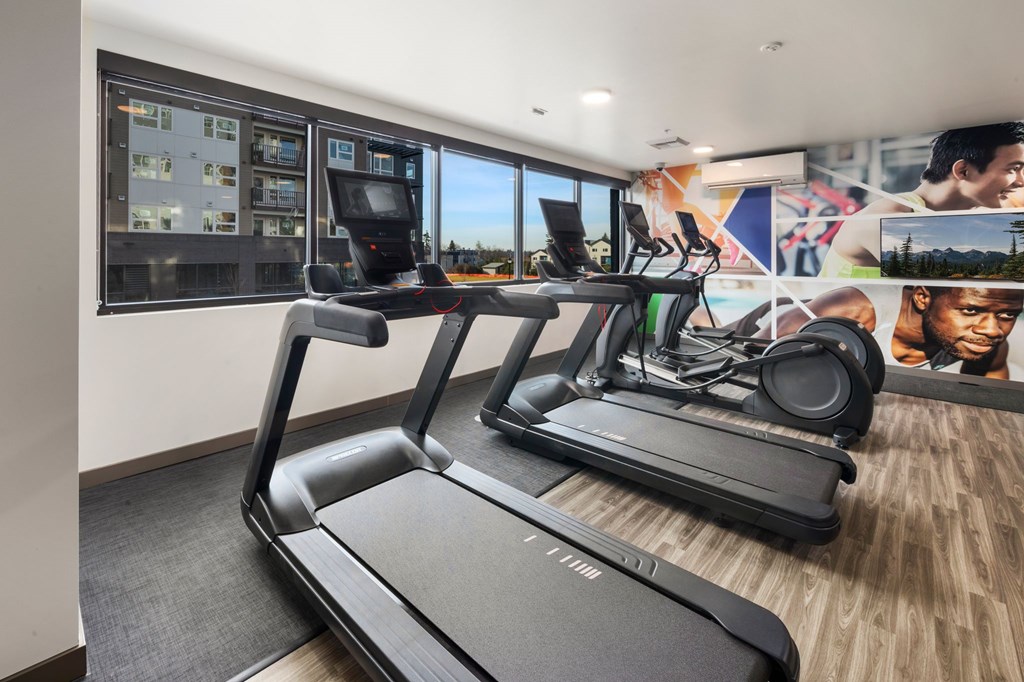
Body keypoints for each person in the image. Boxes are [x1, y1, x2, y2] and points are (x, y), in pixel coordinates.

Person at [820, 122, 1024, 278]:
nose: (1021, 181)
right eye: (1013, 169)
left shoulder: (973, 218)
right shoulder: (882, 220)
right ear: (963, 170)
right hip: (836, 332)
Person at [771, 285, 1024, 379]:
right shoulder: (856, 309)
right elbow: (754, 349)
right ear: (922, 298)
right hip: (767, 322)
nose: (992, 330)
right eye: (970, 311)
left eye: (1007, 314)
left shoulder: (988, 347)